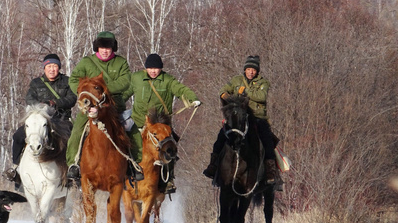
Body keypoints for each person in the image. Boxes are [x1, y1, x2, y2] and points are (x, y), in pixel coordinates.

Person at [65, 31, 143, 182]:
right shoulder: (86, 62)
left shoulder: (121, 63)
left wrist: (101, 89)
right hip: (90, 107)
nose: (105, 50)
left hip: (115, 106)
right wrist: (85, 92)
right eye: (102, 47)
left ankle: (134, 164)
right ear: (97, 48)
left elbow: (125, 81)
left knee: (132, 131)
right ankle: (73, 164)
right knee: (77, 131)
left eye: (108, 47)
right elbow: (74, 79)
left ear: (113, 48)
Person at [122, 53, 201, 194]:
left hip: (161, 125)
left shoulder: (168, 80)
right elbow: (124, 94)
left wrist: (192, 99)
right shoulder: (136, 78)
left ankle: (168, 180)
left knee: (169, 149)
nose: (153, 71)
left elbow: (181, 89)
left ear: (161, 69)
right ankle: (124, 175)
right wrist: (113, 105)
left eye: (156, 68)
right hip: (139, 122)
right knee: (125, 145)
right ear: (146, 68)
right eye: (150, 68)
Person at [203, 55, 278, 184]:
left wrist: (245, 92)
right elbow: (223, 91)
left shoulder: (263, 83)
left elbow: (261, 96)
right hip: (238, 116)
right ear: (245, 70)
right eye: (248, 69)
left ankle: (270, 171)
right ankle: (213, 165)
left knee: (267, 140)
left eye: (253, 70)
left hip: (257, 117)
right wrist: (227, 96)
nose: (251, 72)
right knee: (222, 136)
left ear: (257, 71)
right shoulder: (236, 80)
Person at [4, 54, 76, 185]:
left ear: (59, 67)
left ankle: (73, 170)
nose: (52, 69)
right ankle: (15, 168)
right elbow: (29, 99)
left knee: (72, 139)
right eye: (49, 66)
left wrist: (56, 103)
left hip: (61, 120)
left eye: (54, 66)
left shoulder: (67, 81)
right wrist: (41, 106)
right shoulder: (36, 83)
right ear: (44, 68)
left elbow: (72, 99)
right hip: (40, 118)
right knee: (18, 136)